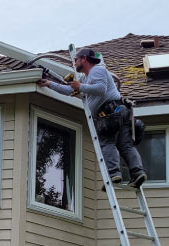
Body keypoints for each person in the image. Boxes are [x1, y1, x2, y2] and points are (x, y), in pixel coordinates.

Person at [38, 48, 147, 188]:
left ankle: (114, 174)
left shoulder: (97, 70)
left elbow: (101, 89)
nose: (75, 63)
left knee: (107, 143)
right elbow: (70, 90)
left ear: (84, 59)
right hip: (120, 110)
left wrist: (81, 86)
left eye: (76, 59)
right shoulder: (85, 78)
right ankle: (138, 173)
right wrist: (50, 84)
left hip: (111, 112)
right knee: (125, 145)